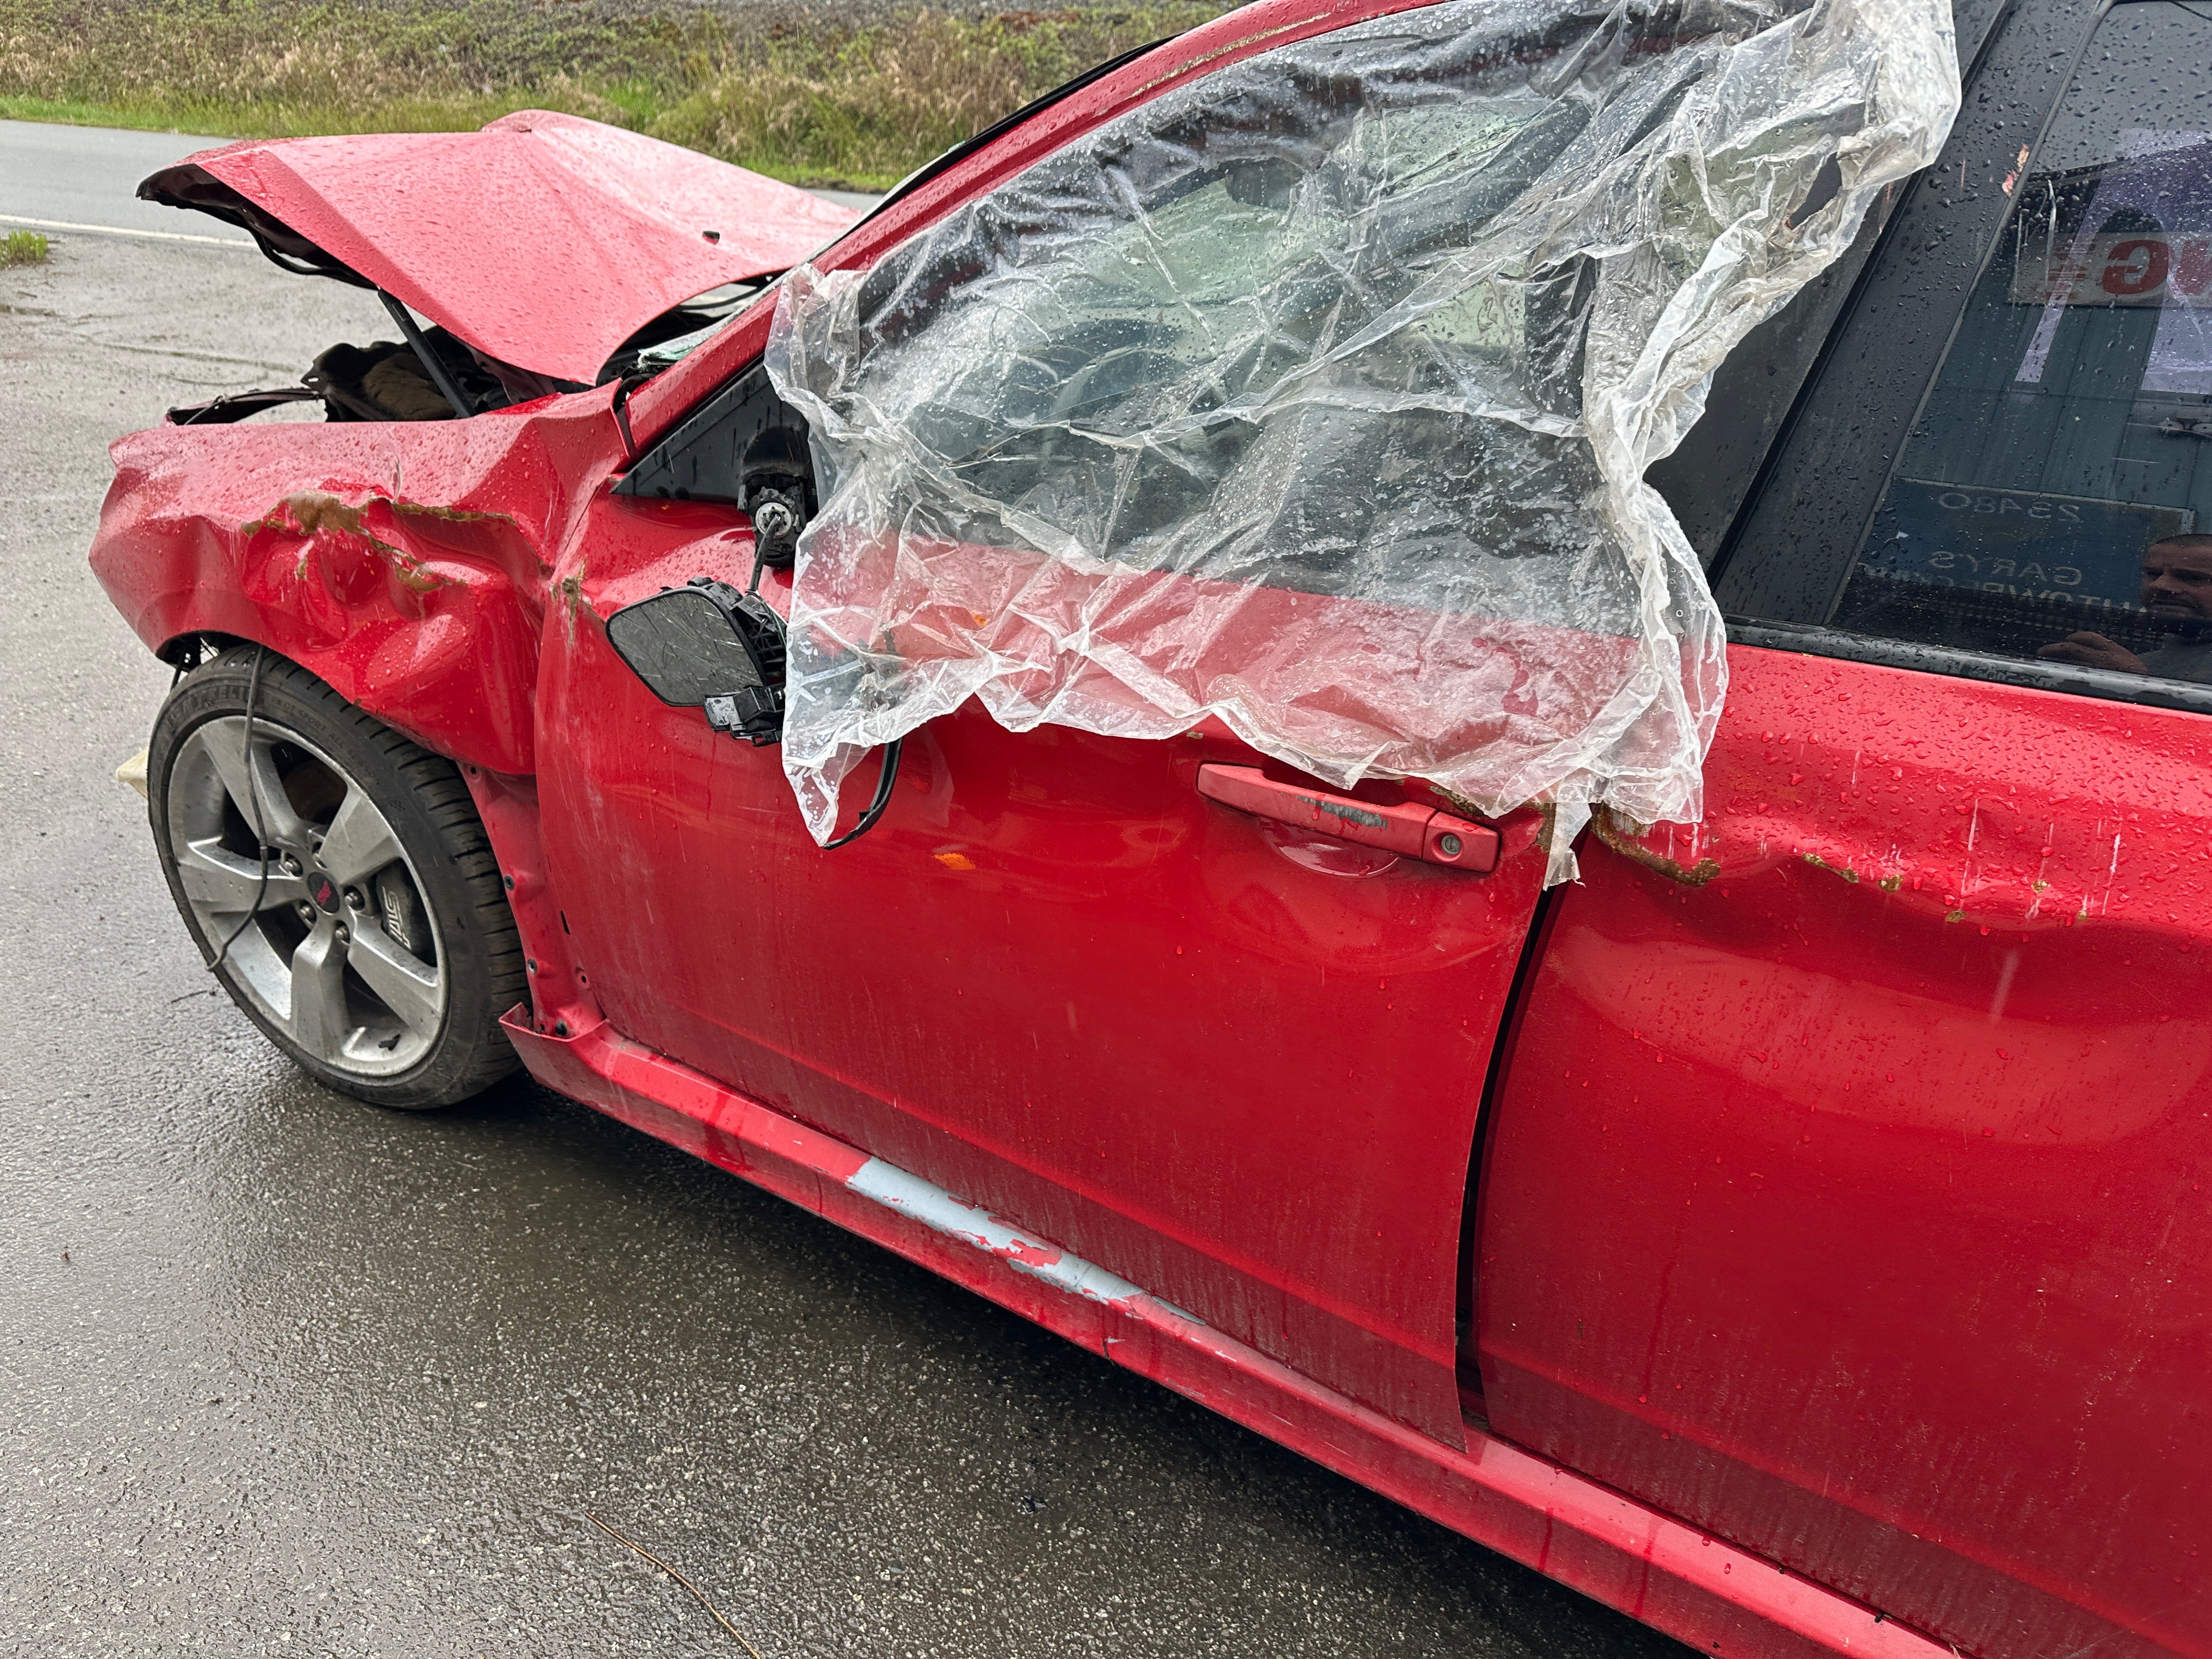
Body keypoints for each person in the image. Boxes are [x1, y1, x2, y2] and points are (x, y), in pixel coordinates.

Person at [2038, 532, 2212, 681]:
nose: (2159, 585)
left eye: (2193, 578)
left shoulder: (2132, 666)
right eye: (2153, 574)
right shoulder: (2150, 660)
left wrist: (2136, 683)